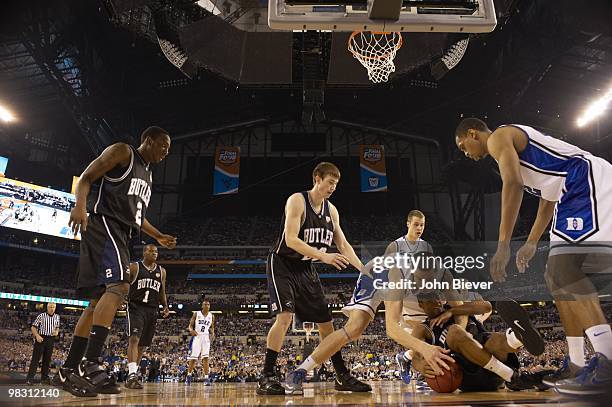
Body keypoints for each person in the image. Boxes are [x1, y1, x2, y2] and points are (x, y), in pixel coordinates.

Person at [455, 118, 612, 394]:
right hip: (567, 192)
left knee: (566, 270)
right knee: (554, 276)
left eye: (463, 146)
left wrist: (503, 245)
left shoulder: (499, 137)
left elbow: (512, 184)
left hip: (584, 178)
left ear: (473, 133)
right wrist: (530, 242)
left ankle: (607, 361)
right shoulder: (519, 157)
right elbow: (548, 197)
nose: (465, 153)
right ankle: (576, 363)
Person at [51, 126, 177, 397]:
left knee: (96, 301)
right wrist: (80, 206)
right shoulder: (123, 152)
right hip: (105, 224)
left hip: (123, 231)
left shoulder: (149, 175)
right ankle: (91, 362)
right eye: (163, 146)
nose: (166, 152)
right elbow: (86, 177)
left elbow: (137, 216)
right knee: (120, 286)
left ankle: (68, 368)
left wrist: (158, 236)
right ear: (149, 140)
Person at [258, 162, 370, 395]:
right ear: (317, 179)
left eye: (336, 185)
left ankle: (341, 375)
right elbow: (290, 239)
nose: (333, 188)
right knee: (285, 317)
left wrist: (363, 269)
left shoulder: (332, 211)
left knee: (326, 323)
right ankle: (266, 375)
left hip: (306, 267)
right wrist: (324, 256)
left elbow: (343, 244)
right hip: (282, 263)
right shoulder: (297, 200)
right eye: (330, 183)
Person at [284, 254, 456, 395]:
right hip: (378, 273)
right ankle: (300, 371)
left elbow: (461, 311)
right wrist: (424, 349)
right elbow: (392, 329)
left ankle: (407, 357)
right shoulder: (399, 276)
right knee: (354, 329)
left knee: (434, 325)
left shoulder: (444, 276)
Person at [411, 293, 544, 391]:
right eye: (430, 299)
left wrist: (452, 311)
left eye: (438, 297)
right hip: (464, 374)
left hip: (495, 373)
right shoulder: (423, 328)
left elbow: (487, 306)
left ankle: (516, 338)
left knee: (494, 339)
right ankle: (513, 374)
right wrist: (421, 366)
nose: (437, 301)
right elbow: (415, 357)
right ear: (420, 304)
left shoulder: (457, 309)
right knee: (455, 331)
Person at [125, 244, 170, 389]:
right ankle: (132, 374)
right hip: (135, 307)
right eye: (151, 251)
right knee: (133, 338)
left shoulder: (162, 271)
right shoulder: (134, 267)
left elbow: (162, 290)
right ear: (144, 253)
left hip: (152, 310)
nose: (154, 253)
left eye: (156, 251)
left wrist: (165, 306)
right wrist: (121, 299)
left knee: (143, 345)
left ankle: (133, 375)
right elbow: (124, 285)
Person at [26, 302, 60, 385]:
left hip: (51, 339)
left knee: (47, 360)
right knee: (35, 359)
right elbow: (33, 327)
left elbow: (57, 327)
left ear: (55, 308)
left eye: (53, 307)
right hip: (41, 338)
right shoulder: (41, 316)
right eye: (50, 307)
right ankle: (30, 378)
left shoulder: (57, 317)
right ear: (47, 308)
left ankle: (44, 378)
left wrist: (56, 331)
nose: (52, 308)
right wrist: (37, 336)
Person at [187, 300, 215, 385]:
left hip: (206, 337)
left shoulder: (212, 316)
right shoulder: (196, 314)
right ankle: (188, 375)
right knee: (193, 358)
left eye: (208, 304)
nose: (207, 305)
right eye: (205, 304)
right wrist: (191, 330)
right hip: (197, 336)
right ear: (202, 306)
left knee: (206, 358)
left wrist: (213, 333)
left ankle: (206, 378)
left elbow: (212, 327)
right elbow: (190, 325)